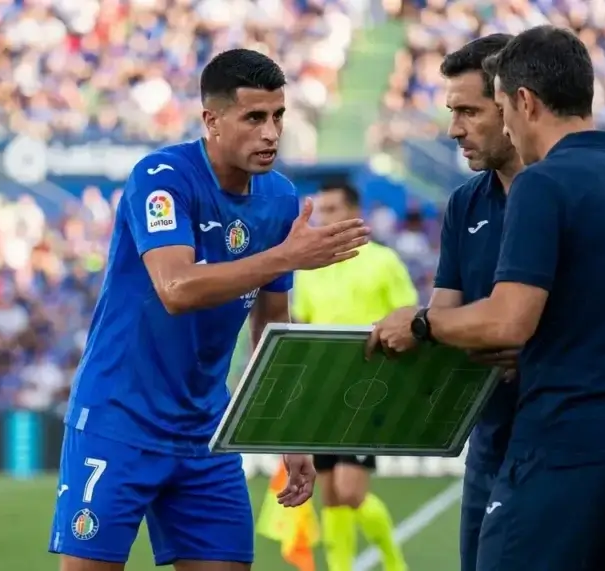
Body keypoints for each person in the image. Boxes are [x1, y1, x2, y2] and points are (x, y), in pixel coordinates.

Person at [372, 26, 605, 570]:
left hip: (564, 441)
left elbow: (508, 322)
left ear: (524, 102)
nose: (499, 124)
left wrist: (422, 324)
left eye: (497, 108)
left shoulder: (541, 184)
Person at [49, 48, 372, 571]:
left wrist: (290, 434)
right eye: (254, 118)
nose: (271, 133)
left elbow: (273, 328)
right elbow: (176, 289)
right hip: (119, 419)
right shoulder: (162, 177)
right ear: (212, 120)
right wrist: (285, 256)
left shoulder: (280, 198)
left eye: (278, 116)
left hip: (205, 431)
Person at [427, 34, 524, 571]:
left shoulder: (569, 193)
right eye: (452, 112)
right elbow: (443, 316)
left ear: (512, 104)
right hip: (489, 439)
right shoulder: (465, 203)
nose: (454, 129)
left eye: (468, 111)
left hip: (560, 433)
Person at [291, 182, 417, 571]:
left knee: (350, 490)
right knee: (330, 494)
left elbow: (409, 318)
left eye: (332, 209)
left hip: (368, 390)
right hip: (323, 392)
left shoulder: (384, 262)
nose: (324, 218)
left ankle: (395, 563)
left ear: (353, 213)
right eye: (320, 210)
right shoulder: (309, 271)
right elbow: (302, 328)